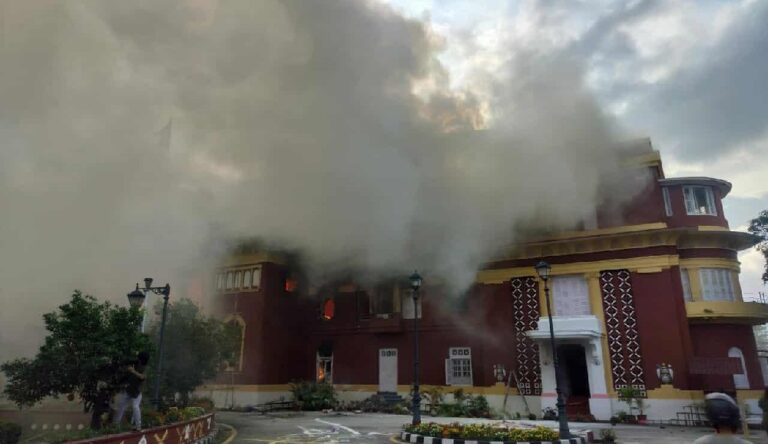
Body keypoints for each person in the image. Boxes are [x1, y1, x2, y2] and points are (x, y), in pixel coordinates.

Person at [113, 351, 149, 430]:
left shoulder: (145, 367)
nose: (138, 360)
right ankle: (115, 424)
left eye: (139, 359)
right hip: (129, 389)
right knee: (121, 405)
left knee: (135, 407)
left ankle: (138, 426)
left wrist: (133, 371)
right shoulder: (136, 362)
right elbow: (128, 363)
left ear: (142, 359)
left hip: (137, 391)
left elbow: (142, 377)